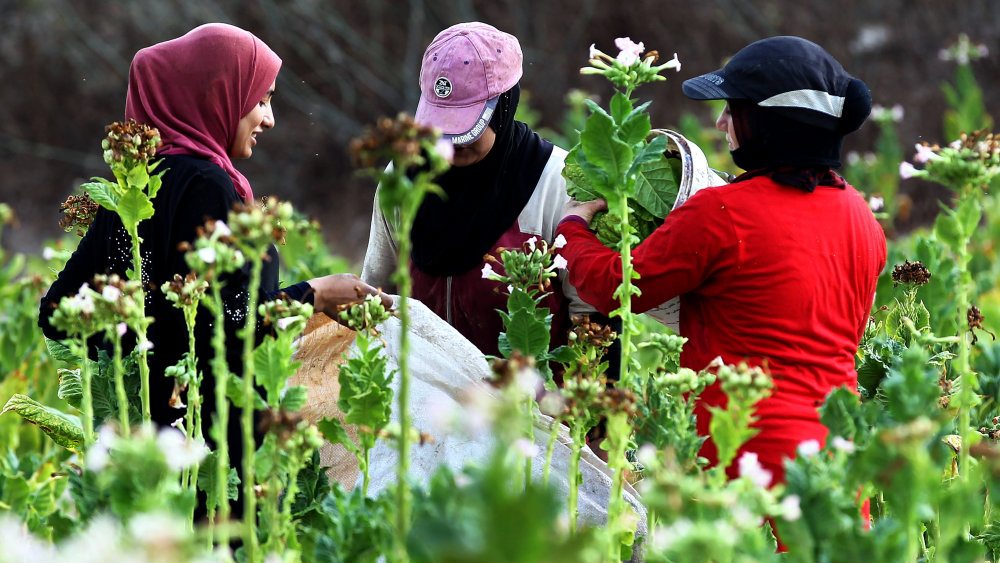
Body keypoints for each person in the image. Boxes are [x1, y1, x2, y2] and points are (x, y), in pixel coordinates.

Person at [38, 23, 386, 476]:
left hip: (142, 449)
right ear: (217, 95)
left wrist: (140, 359)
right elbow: (231, 329)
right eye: (259, 100)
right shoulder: (207, 186)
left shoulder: (132, 188)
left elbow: (58, 313)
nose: (269, 118)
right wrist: (316, 294)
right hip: (213, 456)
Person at [557, 36, 886, 487]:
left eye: (735, 110)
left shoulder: (722, 213)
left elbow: (618, 286)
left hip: (742, 459)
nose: (720, 121)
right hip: (836, 460)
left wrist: (573, 229)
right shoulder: (863, 219)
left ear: (772, 122)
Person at [361, 22, 590, 357]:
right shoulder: (402, 177)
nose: (451, 145)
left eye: (464, 129)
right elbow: (379, 290)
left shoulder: (556, 180)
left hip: (529, 405)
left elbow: (590, 316)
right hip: (424, 403)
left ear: (505, 107)